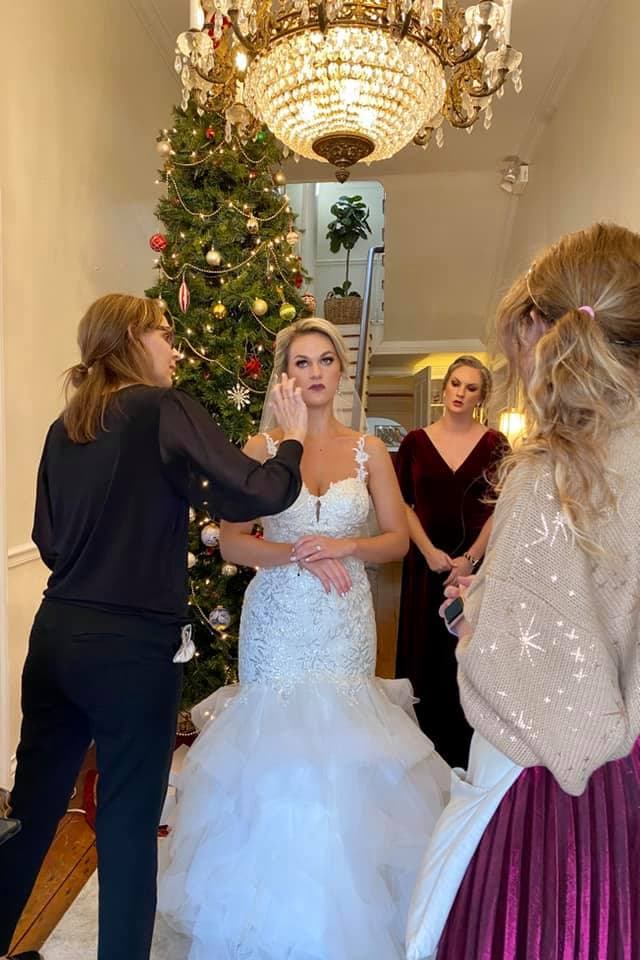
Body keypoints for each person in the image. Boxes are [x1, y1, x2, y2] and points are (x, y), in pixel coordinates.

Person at [0, 293, 308, 960]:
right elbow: (263, 491)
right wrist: (290, 442)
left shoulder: (66, 427)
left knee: (29, 812)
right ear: (132, 341)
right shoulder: (160, 408)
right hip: (135, 650)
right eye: (165, 334)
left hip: (57, 637)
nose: (176, 348)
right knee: (130, 825)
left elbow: (47, 541)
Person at [159, 317, 449, 960]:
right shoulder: (262, 448)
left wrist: (342, 546)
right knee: (275, 752)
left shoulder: (368, 451)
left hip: (340, 621)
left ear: (340, 373)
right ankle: (262, 916)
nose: (314, 373)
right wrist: (295, 553)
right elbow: (231, 539)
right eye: (301, 363)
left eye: (325, 361)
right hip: (277, 623)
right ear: (286, 375)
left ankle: (345, 916)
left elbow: (397, 539)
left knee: (342, 752)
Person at [408, 223, 640, 960]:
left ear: (541, 332)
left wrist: (476, 615)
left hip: (549, 799)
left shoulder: (549, 474)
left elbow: (510, 673)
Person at [394, 357, 509, 767]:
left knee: (466, 662)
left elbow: (502, 506)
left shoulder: (496, 445)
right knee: (422, 664)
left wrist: (471, 559)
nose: (460, 392)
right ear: (444, 389)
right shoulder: (414, 443)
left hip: (474, 573)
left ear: (481, 397)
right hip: (424, 568)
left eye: (471, 387)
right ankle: (421, 766)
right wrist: (426, 550)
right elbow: (401, 504)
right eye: (455, 384)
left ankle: (467, 763)